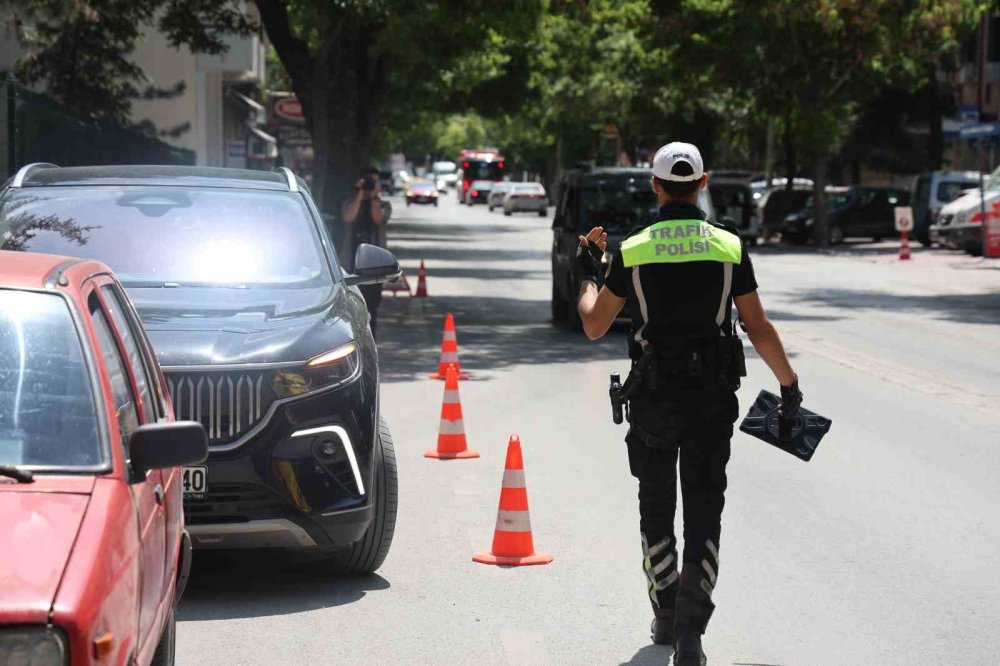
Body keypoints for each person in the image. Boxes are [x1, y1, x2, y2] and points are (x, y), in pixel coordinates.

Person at [575, 142, 802, 666]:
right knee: (704, 511)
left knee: (656, 509)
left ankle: (664, 610)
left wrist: (590, 269)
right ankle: (691, 635)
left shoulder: (633, 249)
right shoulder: (728, 246)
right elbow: (758, 327)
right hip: (711, 399)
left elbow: (592, 323)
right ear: (703, 183)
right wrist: (789, 383)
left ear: (654, 186)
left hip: (654, 398)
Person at [342, 166, 392, 338]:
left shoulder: (384, 204)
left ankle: (371, 341)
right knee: (350, 307)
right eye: (368, 181)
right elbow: (348, 217)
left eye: (374, 181)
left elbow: (378, 218)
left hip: (374, 267)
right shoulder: (351, 201)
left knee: (372, 307)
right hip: (351, 265)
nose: (371, 184)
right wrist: (360, 193)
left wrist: (373, 197)